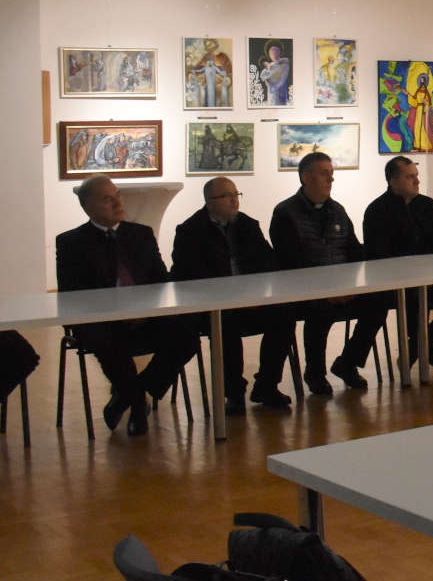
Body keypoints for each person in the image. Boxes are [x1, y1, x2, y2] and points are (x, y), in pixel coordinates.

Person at [55, 175, 198, 436]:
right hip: (102, 322)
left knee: (186, 336)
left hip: (146, 317)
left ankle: (129, 395)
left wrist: (149, 310)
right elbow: (71, 294)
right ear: (87, 207)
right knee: (107, 342)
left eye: (117, 196)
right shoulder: (71, 242)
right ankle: (137, 405)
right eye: (107, 199)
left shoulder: (141, 234)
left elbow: (160, 281)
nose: (117, 203)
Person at [170, 177, 293, 414]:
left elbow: (269, 262)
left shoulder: (248, 225)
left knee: (284, 314)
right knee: (226, 325)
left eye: (236, 194)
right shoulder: (190, 231)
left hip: (251, 300)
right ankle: (234, 393)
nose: (234, 200)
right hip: (214, 306)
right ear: (209, 202)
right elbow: (187, 276)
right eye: (227, 196)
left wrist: (257, 294)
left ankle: (267, 385)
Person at [270, 152, 387, 395]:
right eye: (324, 174)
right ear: (305, 177)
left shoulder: (337, 210)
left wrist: (354, 286)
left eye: (331, 174)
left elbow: (354, 252)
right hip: (306, 291)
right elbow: (290, 262)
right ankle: (315, 373)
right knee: (319, 311)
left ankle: (348, 362)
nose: (330, 179)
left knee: (378, 302)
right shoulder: (285, 213)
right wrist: (326, 290)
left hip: (343, 287)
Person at [362, 156, 433, 373]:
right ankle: (426, 351)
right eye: (410, 177)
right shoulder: (376, 211)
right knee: (413, 299)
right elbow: (378, 257)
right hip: (396, 284)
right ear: (393, 181)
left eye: (416, 176)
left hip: (431, 278)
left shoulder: (427, 205)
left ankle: (417, 347)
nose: (417, 181)